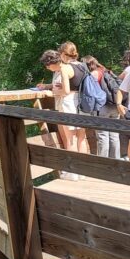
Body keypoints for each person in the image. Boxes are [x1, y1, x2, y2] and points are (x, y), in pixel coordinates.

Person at [39, 49, 89, 180]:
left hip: (69, 105)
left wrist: (53, 93)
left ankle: (73, 172)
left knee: (70, 139)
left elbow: (66, 91)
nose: (47, 68)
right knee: (81, 138)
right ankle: (83, 171)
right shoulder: (79, 66)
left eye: (47, 65)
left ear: (52, 63)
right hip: (82, 104)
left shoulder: (64, 69)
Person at [83, 55, 120, 160]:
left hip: (102, 107)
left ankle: (103, 162)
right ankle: (115, 160)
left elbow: (90, 92)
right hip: (114, 105)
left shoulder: (93, 74)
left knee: (103, 136)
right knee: (114, 135)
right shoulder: (106, 71)